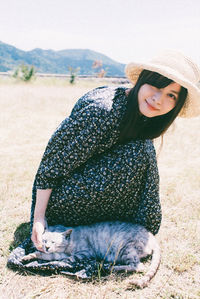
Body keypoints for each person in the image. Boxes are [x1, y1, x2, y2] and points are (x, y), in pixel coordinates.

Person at [30, 49, 200, 252]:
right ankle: (133, 224)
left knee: (142, 148)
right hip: (62, 202)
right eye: (155, 85)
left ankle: (135, 225)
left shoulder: (137, 112)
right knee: (140, 150)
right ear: (142, 80)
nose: (158, 99)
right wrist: (39, 217)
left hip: (85, 194)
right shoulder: (103, 111)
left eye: (171, 95)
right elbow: (53, 165)